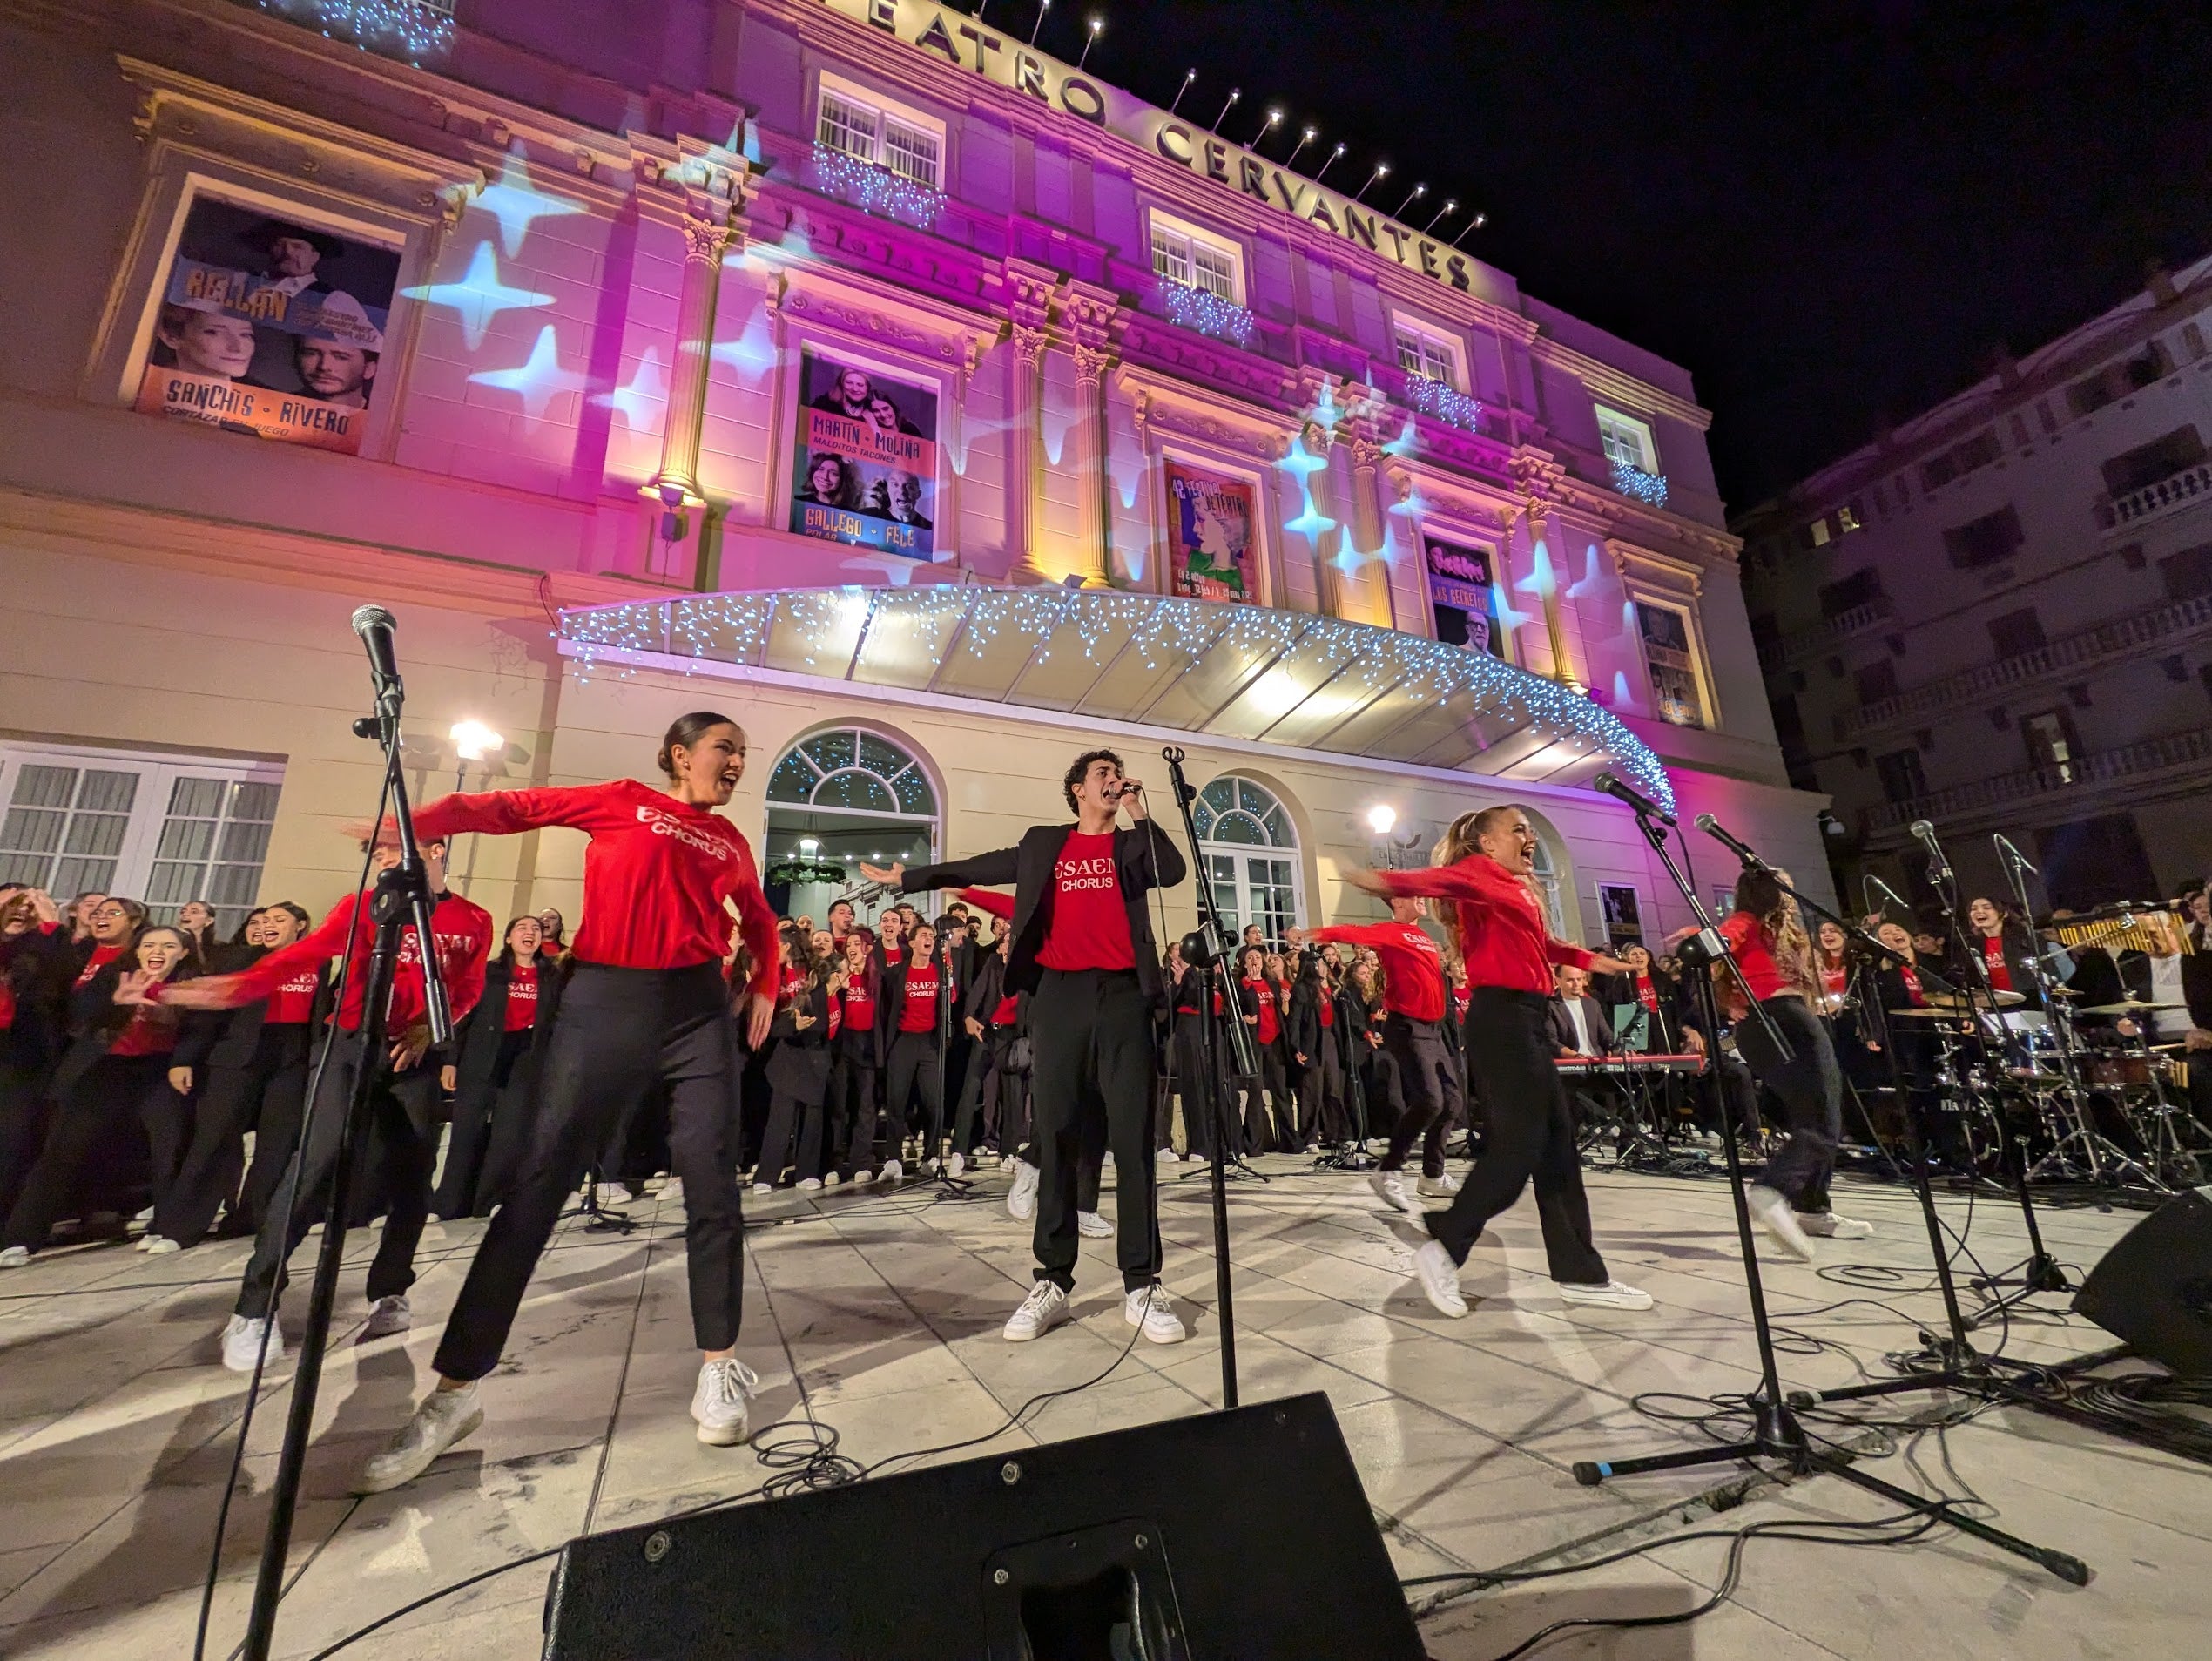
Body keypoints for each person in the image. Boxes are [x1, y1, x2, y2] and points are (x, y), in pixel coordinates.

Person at [333, 712, 780, 1490]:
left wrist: (766, 981)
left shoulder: (732, 842)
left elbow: (762, 920)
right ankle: (456, 1391)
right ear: (680, 754)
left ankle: (719, 1366)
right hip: (604, 1001)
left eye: (743, 752)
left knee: (712, 1185)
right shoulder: (622, 799)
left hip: (698, 1010)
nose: (736, 761)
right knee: (538, 1187)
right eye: (724, 748)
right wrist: (413, 824)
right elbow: (509, 808)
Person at [861, 748, 1188, 1345]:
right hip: (1060, 996)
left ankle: (1141, 1283)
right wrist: (910, 878)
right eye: (1102, 774)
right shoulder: (1045, 843)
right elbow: (980, 867)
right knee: (1057, 1134)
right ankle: (1053, 1280)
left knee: (1132, 1142)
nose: (1113, 780)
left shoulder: (1130, 847)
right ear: (1077, 788)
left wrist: (1139, 809)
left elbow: (1171, 871)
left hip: (1123, 998)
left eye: (1117, 774)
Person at [143, 843, 489, 1350]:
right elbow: (298, 958)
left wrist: (427, 1030)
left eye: (393, 848)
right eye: (378, 854)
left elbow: (468, 988)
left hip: (411, 1057)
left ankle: (390, 1291)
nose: (383, 860)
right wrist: (211, 990)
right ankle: (254, 1307)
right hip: (348, 1045)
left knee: (412, 1180)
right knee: (310, 1167)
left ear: (434, 849)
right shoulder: (362, 906)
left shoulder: (474, 919)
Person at [1348, 805, 1649, 1318]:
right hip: (1502, 1019)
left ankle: (1581, 1275)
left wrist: (1590, 960)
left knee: (1557, 1150)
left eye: (1530, 830)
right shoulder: (1479, 872)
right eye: (1517, 830)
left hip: (1528, 1017)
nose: (1528, 837)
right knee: (1519, 1147)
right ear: (1488, 843)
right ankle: (1446, 1243)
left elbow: (1543, 944)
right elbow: (1434, 880)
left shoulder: (1516, 889)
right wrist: (1379, 879)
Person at [1, 924, 200, 1265]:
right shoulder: (114, 975)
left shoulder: (193, 985)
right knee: (62, 1151)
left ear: (183, 953)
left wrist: (169, 1015)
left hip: (158, 1072)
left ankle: (166, 1228)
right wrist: (114, 1002)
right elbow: (76, 1015)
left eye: (168, 946)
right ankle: (20, 1239)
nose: (157, 951)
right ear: (137, 950)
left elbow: (201, 1032)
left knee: (170, 1146)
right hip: (105, 1069)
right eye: (149, 945)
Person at [1711, 867, 1875, 1259]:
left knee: (1817, 1113)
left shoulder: (1783, 933)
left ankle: (1812, 1208)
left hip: (1779, 1019)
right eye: (1784, 888)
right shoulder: (1746, 922)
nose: (1790, 896)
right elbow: (1719, 944)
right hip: (1780, 1019)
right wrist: (1710, 955)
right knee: (1823, 1116)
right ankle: (1773, 1189)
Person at [156, 900, 319, 1247]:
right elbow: (209, 1013)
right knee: (212, 1139)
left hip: (291, 1061)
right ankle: (178, 1228)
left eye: (279, 920)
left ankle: (251, 1219)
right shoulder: (240, 959)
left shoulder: (318, 960)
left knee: (277, 1145)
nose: (269, 925)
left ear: (300, 926)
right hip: (236, 1057)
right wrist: (184, 1059)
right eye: (265, 920)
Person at [1311, 898, 1463, 1208]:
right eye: (1412, 896)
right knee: (1431, 1100)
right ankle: (1388, 1170)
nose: (1421, 899)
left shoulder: (1423, 936)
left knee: (1452, 1101)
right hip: (1407, 1026)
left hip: (1433, 1030)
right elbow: (1355, 932)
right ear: (1397, 902)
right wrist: (1315, 933)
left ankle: (1432, 1175)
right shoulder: (1392, 931)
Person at [434, 915, 544, 1219]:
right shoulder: (489, 973)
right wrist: (450, 1061)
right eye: (522, 928)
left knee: (508, 1134)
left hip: (523, 1061)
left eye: (536, 929)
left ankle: (490, 1200)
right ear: (508, 938)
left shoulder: (550, 977)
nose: (530, 933)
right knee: (466, 1132)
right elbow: (463, 1019)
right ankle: (449, 1204)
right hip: (481, 1057)